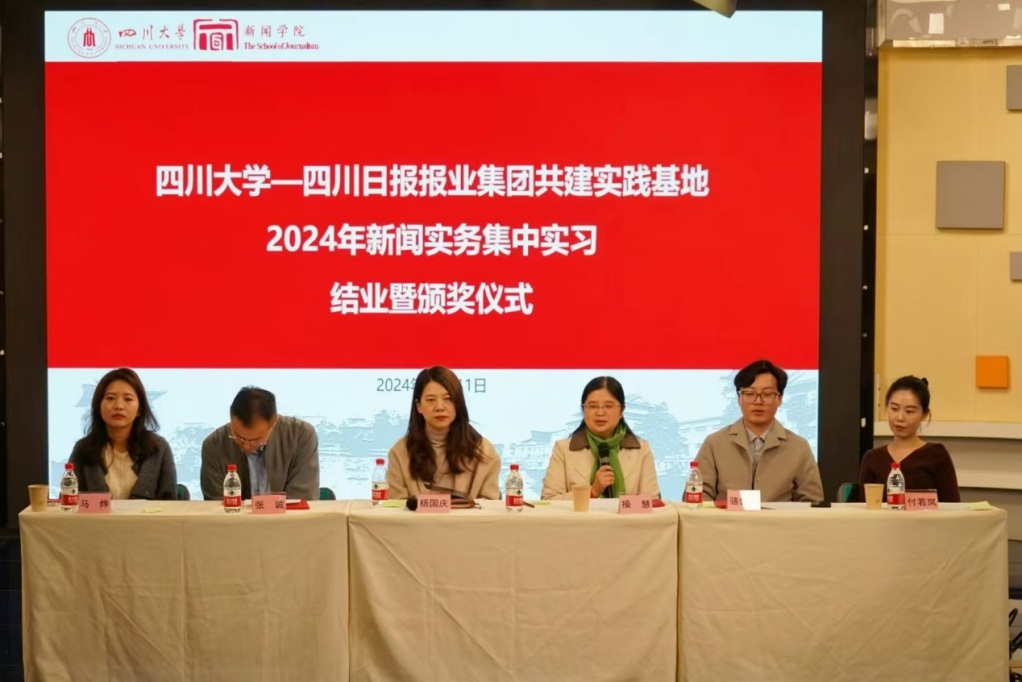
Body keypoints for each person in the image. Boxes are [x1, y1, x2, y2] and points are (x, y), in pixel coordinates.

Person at [695, 359, 823, 502]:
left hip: (779, 518)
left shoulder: (799, 447)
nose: (758, 401)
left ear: (779, 399)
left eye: (767, 394)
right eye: (750, 393)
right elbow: (698, 495)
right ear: (739, 398)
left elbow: (812, 502)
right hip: (727, 517)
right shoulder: (715, 443)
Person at [386, 366, 501, 499]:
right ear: (418, 406)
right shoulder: (400, 453)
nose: (439, 407)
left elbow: (490, 508)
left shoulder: (484, 452)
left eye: (448, 399)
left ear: (458, 404)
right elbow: (395, 508)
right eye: (430, 400)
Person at [541, 376, 661, 500]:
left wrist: (620, 508)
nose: (600, 413)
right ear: (583, 410)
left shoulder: (641, 450)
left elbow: (651, 502)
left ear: (621, 410)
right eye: (593, 406)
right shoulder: (563, 449)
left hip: (627, 514)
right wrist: (592, 492)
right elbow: (549, 501)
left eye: (608, 406)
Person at [68, 368, 178, 500]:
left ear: (139, 409)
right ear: (98, 407)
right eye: (110, 398)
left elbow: (170, 503)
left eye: (128, 399)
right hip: (95, 515)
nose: (119, 406)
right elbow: (68, 500)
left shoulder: (158, 448)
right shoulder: (83, 449)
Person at [200, 387, 320, 501]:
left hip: (288, 516)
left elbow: (302, 498)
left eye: (255, 440)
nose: (246, 446)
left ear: (274, 422)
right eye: (238, 437)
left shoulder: (301, 436)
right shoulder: (213, 446)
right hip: (235, 516)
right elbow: (216, 504)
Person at [859, 375, 960, 501]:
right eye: (894, 409)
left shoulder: (936, 455)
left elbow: (952, 506)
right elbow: (863, 507)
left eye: (910, 411)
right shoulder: (873, 458)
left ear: (924, 414)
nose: (900, 417)